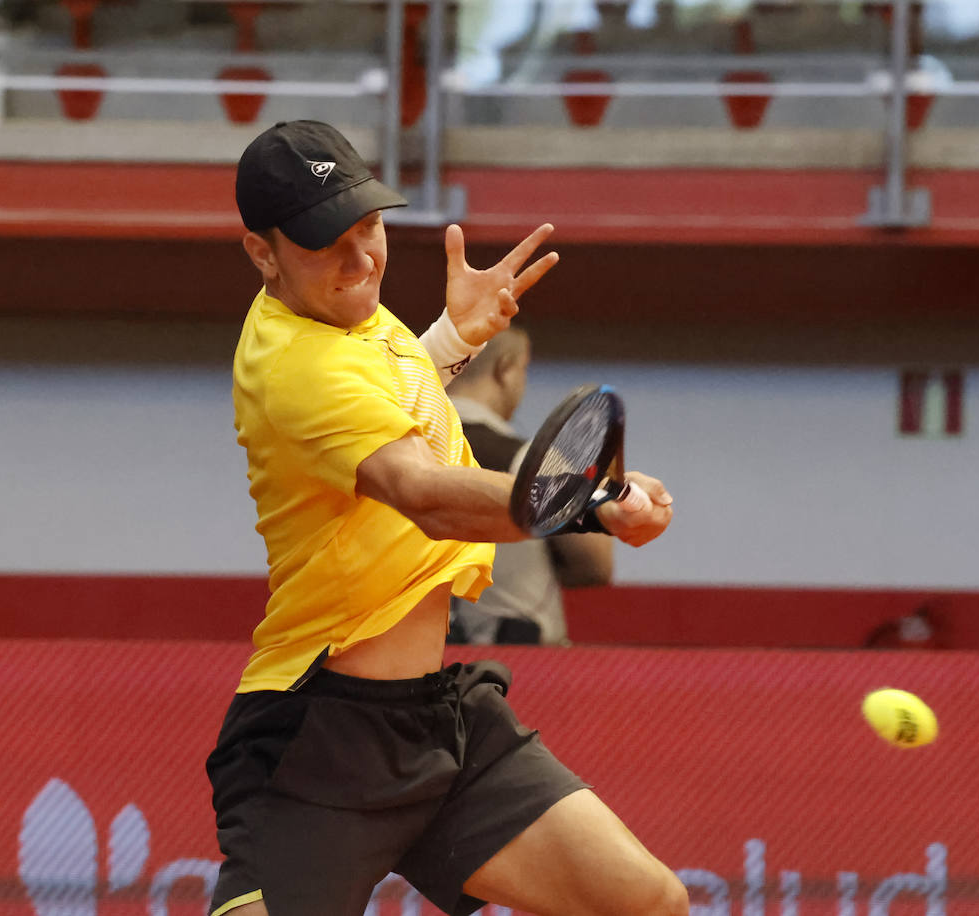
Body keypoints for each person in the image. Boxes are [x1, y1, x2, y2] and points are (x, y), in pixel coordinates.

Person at [206, 119, 684, 916]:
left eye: (370, 228)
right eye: (330, 242)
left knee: (648, 904)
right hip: (319, 737)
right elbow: (421, 494)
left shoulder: (355, 320)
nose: (362, 260)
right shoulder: (294, 363)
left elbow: (388, 394)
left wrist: (454, 336)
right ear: (262, 252)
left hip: (440, 725)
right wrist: (586, 503)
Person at [446, 327, 614, 646]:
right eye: (523, 370)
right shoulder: (531, 460)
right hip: (520, 667)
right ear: (505, 369)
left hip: (415, 664)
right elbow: (596, 564)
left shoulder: (395, 453)